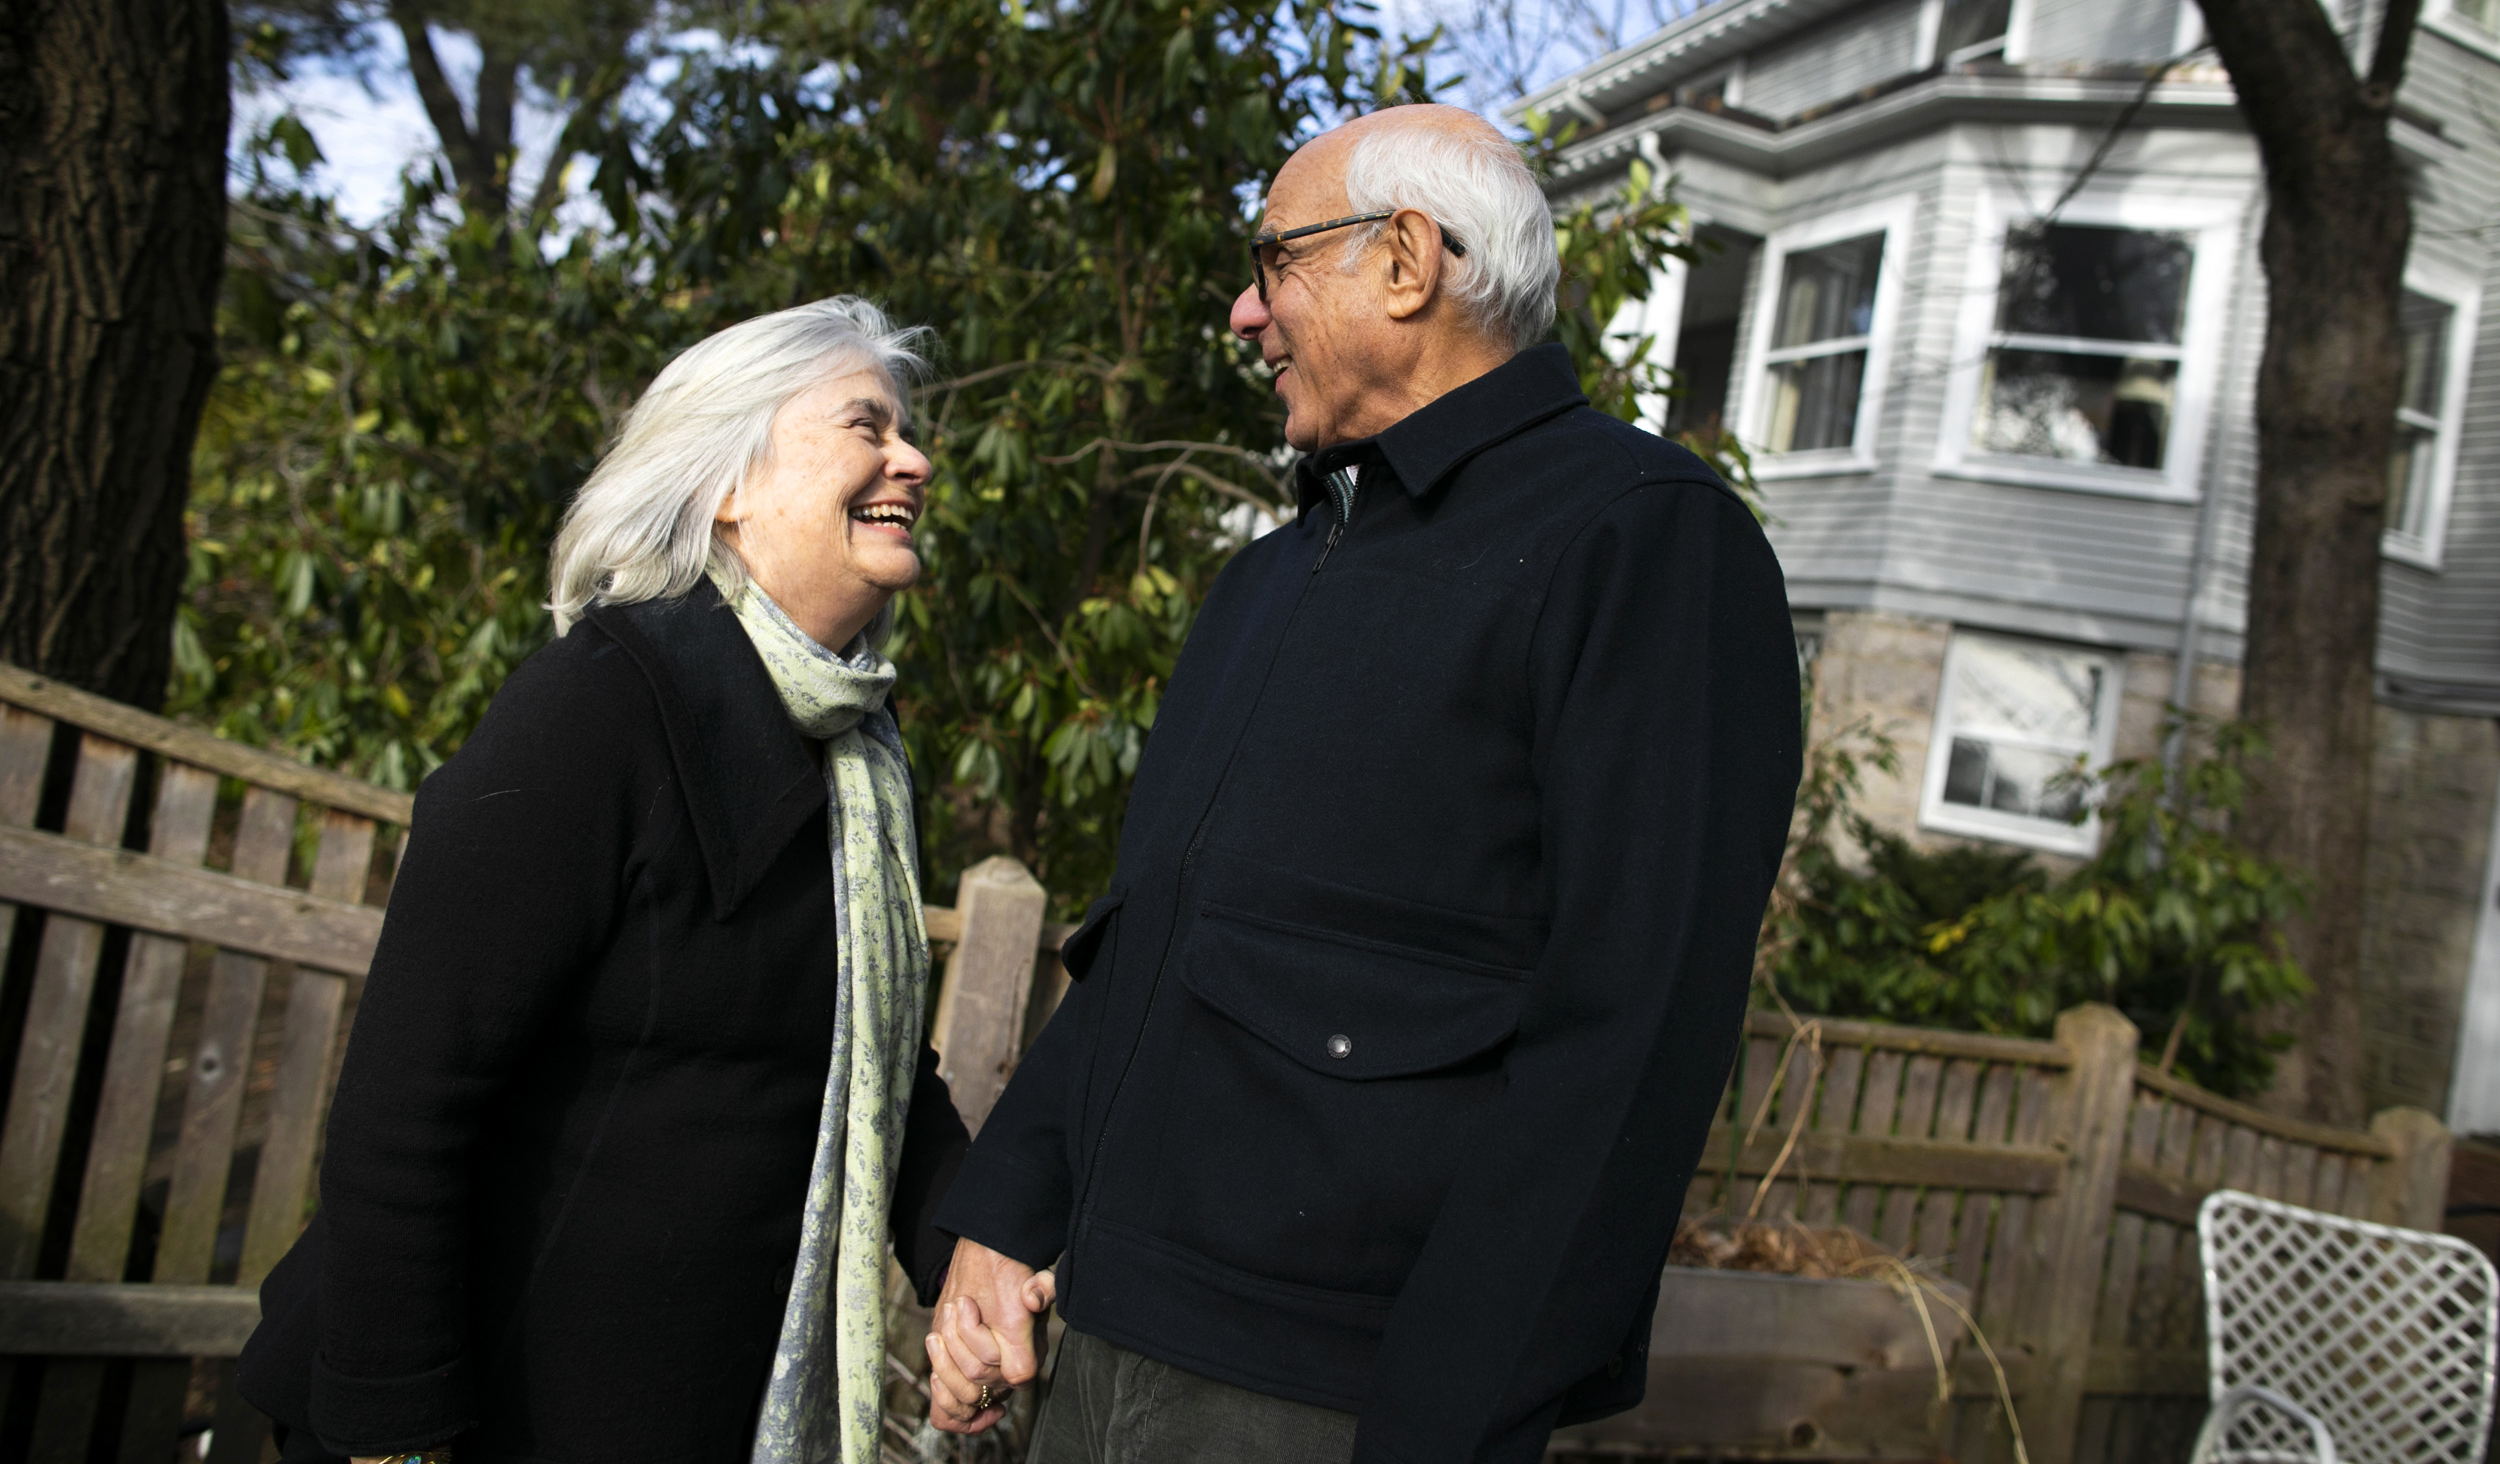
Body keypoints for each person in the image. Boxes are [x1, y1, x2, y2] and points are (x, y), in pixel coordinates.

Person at [921, 106, 1804, 1464]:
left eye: (1274, 260)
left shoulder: (1642, 540)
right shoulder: (1272, 572)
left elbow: (1631, 1031)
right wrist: (1003, 1213)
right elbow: (1149, 930)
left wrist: (1449, 1414)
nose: (1242, 310)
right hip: (1092, 1338)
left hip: (1325, 1393)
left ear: (1405, 261)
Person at [237, 298, 974, 1464]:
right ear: (728, 482)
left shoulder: (858, 755)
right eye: (866, 426)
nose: (913, 459)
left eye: (905, 431)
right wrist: (397, 1431)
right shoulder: (595, 707)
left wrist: (965, 1257)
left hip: (681, 1406)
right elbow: (407, 1100)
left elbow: (876, 1060)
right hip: (483, 1409)